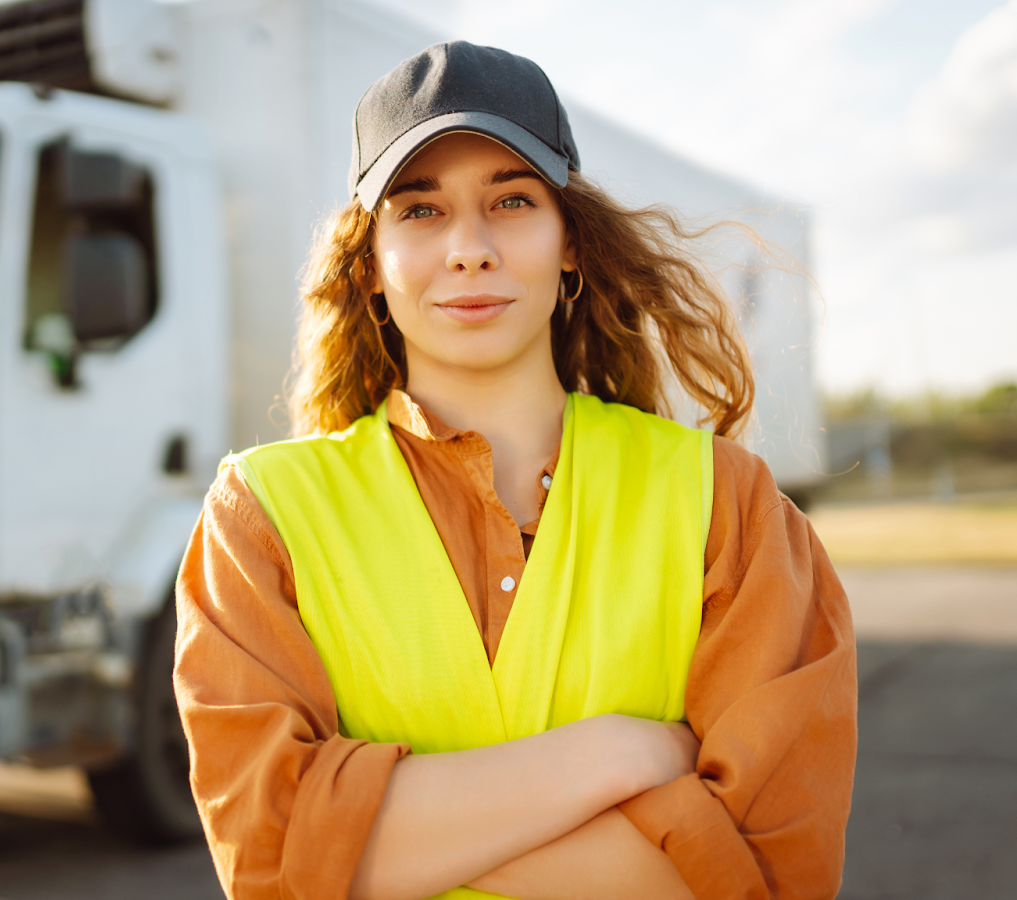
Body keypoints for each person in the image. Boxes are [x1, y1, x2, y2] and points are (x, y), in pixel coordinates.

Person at [174, 41, 855, 900]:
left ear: (570, 240)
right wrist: (610, 756)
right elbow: (265, 860)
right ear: (371, 264)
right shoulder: (261, 516)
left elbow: (767, 873)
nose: (469, 248)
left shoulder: (725, 501)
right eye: (421, 210)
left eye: (512, 200)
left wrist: (352, 838)